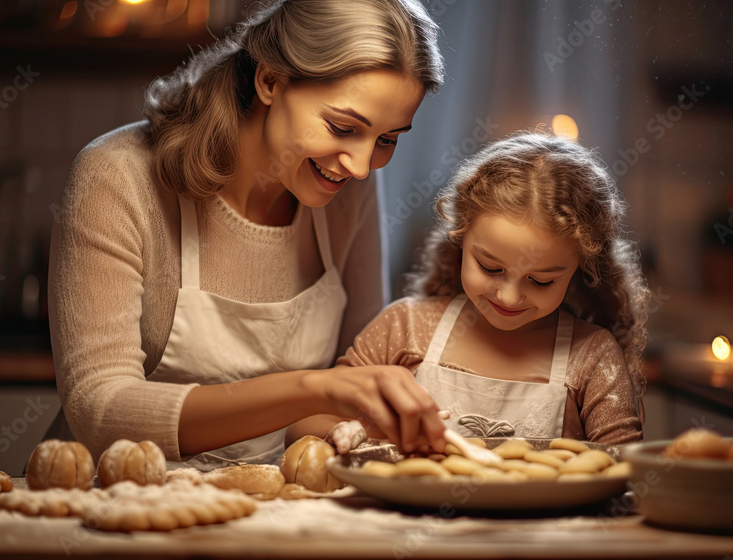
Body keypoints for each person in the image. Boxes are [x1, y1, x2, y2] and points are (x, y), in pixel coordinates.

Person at [48, 0, 449, 470]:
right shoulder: (118, 176)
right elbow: (101, 410)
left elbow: (348, 382)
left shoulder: (345, 189)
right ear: (270, 80)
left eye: (387, 139)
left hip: (282, 507)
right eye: (343, 127)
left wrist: (370, 419)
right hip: (118, 508)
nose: (361, 167)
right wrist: (315, 388)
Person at [290, 131, 650, 451]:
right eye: (490, 268)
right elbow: (300, 422)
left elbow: (628, 471)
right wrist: (345, 430)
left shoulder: (591, 357)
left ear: (581, 270)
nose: (508, 297)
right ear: (460, 240)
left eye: (541, 281)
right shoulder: (405, 328)